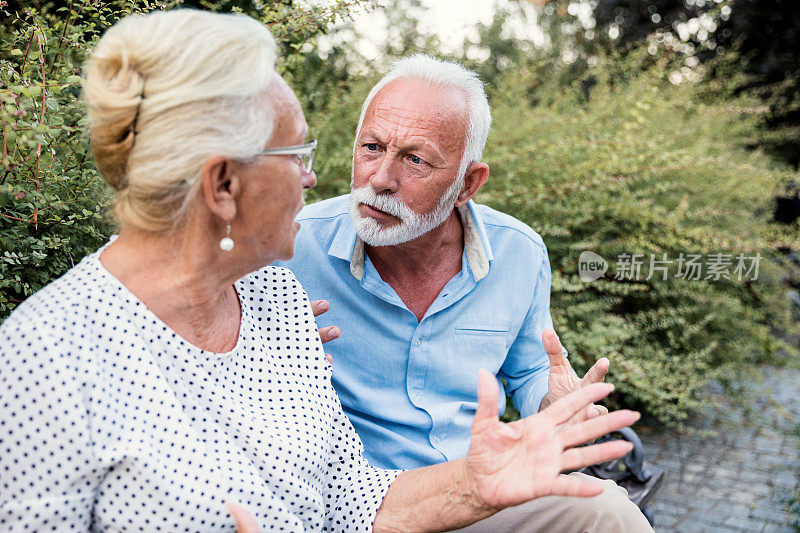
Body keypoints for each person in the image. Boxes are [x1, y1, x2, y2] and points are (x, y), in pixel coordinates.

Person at [0, 10, 640, 533]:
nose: (315, 178)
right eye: (297, 153)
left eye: (414, 159)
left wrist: (478, 482)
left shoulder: (273, 295)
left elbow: (352, 499)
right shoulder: (43, 359)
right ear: (223, 185)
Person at [278, 54, 654, 530]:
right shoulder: (289, 246)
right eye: (372, 147)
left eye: (415, 159)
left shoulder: (519, 252)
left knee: (610, 512)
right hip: (355, 502)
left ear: (468, 183)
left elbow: (533, 367)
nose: (380, 180)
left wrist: (552, 405)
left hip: (479, 484)